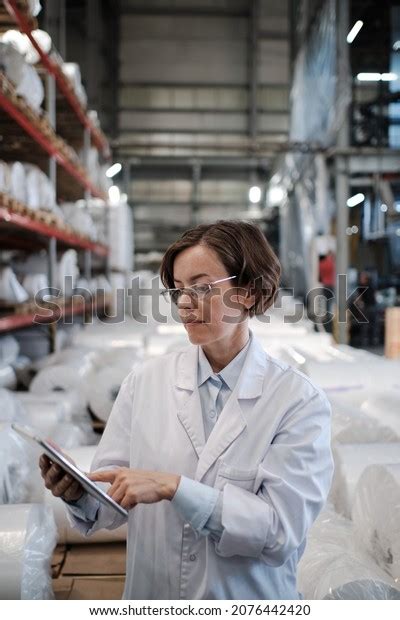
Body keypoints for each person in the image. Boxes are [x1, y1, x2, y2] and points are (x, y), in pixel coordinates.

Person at [40, 220, 334, 600]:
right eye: (178, 290)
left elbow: (279, 532)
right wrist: (78, 493)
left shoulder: (297, 401)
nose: (184, 303)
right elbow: (111, 500)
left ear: (248, 292)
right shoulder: (145, 383)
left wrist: (177, 489)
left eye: (201, 287)